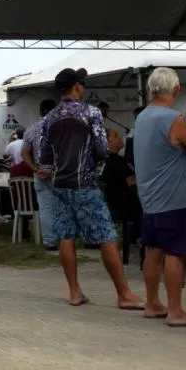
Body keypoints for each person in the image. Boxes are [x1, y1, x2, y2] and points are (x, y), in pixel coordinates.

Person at [37, 67, 143, 309]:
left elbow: (44, 156)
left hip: (59, 184)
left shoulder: (49, 118)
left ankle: (75, 292)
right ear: (77, 86)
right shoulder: (90, 113)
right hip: (85, 182)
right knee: (107, 236)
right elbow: (103, 149)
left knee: (66, 236)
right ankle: (124, 295)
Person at [132, 67, 186, 327]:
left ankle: (152, 303)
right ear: (176, 90)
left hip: (150, 197)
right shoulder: (175, 120)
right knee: (175, 253)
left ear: (149, 89)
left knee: (153, 250)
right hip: (175, 198)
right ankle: (175, 311)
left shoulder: (143, 117)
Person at [21, 99, 58, 250]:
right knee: (63, 207)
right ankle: (66, 240)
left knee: (46, 209)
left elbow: (24, 153)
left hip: (40, 173)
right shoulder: (61, 128)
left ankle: (50, 242)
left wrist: (35, 169)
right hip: (59, 173)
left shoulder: (31, 129)